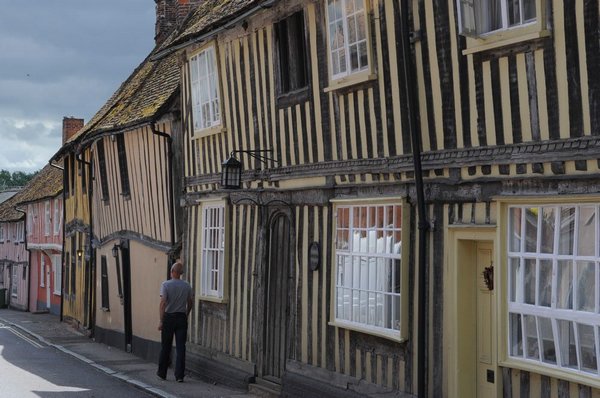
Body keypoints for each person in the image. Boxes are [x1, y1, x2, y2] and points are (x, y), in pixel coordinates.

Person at [157, 260, 193, 382]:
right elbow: (190, 302)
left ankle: (162, 373)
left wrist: (161, 320)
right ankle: (179, 376)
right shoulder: (187, 285)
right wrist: (186, 314)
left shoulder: (166, 285)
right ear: (181, 273)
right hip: (181, 318)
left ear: (172, 272)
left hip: (169, 317)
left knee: (166, 346)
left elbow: (162, 303)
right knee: (181, 347)